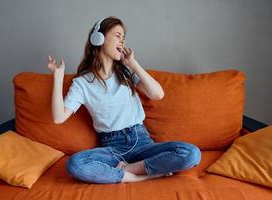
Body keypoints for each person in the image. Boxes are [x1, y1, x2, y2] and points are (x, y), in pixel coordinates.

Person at [46, 16, 201, 184]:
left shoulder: (126, 72)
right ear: (99, 38)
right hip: (112, 148)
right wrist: (58, 76)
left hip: (142, 142)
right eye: (118, 36)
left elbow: (158, 94)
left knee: (191, 153)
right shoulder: (82, 83)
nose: (122, 41)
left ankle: (128, 170)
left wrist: (133, 63)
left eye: (124, 38)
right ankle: (141, 177)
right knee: (75, 164)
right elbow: (58, 117)